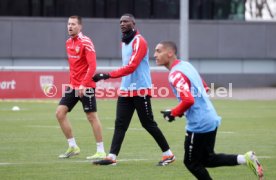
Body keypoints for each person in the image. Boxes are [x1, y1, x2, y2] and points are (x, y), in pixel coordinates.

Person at [154, 41, 264, 179]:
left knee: (191, 163)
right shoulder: (186, 65)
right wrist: (179, 111)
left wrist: (174, 113)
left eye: (158, 51)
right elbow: (204, 87)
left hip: (199, 124)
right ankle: (246, 158)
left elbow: (188, 100)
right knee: (207, 159)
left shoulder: (175, 74)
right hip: (210, 117)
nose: (155, 55)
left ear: (170, 53)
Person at [92, 14, 174, 166]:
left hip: (140, 89)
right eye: (121, 22)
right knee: (120, 124)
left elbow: (132, 66)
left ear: (133, 24)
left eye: (126, 21)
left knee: (148, 123)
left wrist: (107, 75)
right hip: (126, 89)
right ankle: (111, 157)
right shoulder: (124, 43)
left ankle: (168, 154)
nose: (122, 24)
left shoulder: (139, 41)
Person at [55, 15, 106, 160]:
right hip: (73, 86)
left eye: (73, 24)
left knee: (91, 116)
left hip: (86, 86)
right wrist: (73, 84)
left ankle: (101, 150)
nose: (70, 27)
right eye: (68, 24)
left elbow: (92, 66)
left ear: (80, 26)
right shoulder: (68, 42)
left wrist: (83, 84)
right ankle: (73, 146)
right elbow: (74, 67)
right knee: (60, 113)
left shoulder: (86, 42)